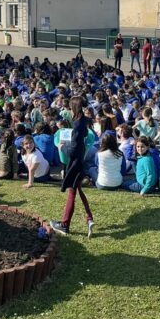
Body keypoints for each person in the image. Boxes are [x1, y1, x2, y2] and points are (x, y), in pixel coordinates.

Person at [50, 97, 94, 236]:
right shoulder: (84, 120)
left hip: (75, 162)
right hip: (80, 159)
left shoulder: (77, 124)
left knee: (72, 192)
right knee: (78, 190)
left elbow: (72, 151)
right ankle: (89, 218)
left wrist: (63, 147)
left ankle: (65, 224)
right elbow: (86, 134)